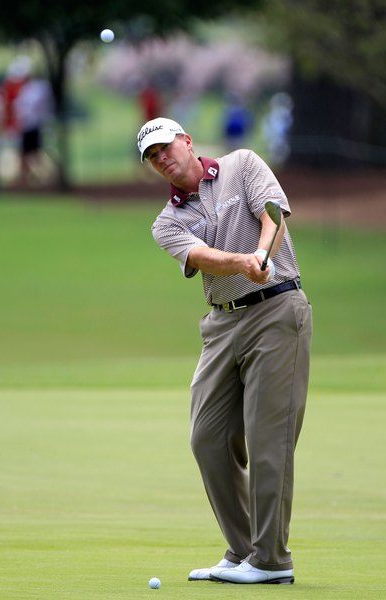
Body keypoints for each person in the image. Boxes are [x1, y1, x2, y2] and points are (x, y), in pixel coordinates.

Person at [136, 117, 312, 585]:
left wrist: (263, 256)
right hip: (221, 322)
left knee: (268, 441)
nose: (162, 159)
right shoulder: (167, 222)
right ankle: (243, 550)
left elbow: (273, 211)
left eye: (165, 147)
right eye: (153, 157)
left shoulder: (242, 164)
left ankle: (272, 561)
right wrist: (242, 262)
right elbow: (199, 256)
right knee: (207, 437)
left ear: (187, 141)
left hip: (276, 310)